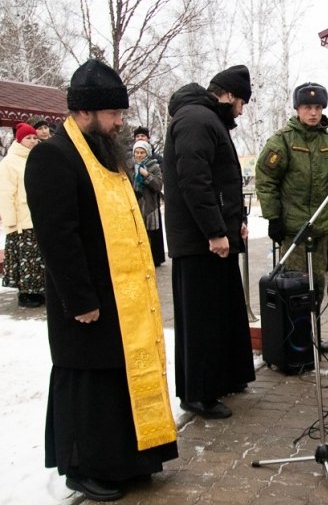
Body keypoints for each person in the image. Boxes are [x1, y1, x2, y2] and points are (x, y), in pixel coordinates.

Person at [24, 59, 177, 502]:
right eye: (113, 114)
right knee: (87, 384)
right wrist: (80, 299)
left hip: (122, 297)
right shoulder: (52, 157)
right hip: (86, 299)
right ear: (85, 112)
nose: (119, 123)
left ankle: (127, 462)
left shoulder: (104, 154)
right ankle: (83, 468)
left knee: (117, 380)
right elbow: (57, 238)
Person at [162, 65, 256, 419]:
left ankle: (227, 376)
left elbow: (224, 179)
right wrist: (215, 232)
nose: (242, 111)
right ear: (228, 95)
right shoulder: (196, 119)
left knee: (223, 313)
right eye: (242, 102)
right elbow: (195, 181)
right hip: (199, 242)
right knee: (200, 319)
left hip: (215, 238)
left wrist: (236, 224)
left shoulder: (207, 119)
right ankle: (197, 393)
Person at [255, 82, 328, 354]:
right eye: (308, 107)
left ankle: (313, 337)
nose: (313, 113)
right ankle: (295, 341)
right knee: (296, 286)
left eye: (318, 107)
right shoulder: (282, 140)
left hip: (319, 228)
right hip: (293, 229)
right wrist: (273, 217)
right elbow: (266, 180)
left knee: (316, 285)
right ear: (297, 109)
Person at [0, 122, 45, 307]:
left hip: (39, 215)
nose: (33, 141)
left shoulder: (39, 157)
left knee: (38, 258)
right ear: (20, 140)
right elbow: (5, 192)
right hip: (21, 219)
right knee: (26, 258)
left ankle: (38, 290)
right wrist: (10, 221)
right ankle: (26, 293)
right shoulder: (10, 162)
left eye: (35, 138)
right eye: (28, 138)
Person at [128, 139, 165, 266]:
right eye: (136, 152)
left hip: (149, 207)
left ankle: (149, 260)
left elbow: (158, 186)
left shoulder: (154, 167)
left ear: (147, 153)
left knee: (150, 235)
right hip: (134, 205)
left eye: (142, 153)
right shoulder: (130, 167)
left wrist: (146, 175)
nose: (138, 155)